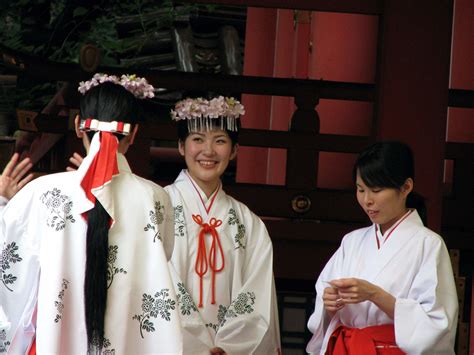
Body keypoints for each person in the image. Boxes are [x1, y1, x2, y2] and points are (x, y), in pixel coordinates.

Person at [0, 74, 182, 354]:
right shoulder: (156, 198)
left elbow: (8, 268)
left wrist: (3, 203)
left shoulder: (42, 194)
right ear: (133, 134)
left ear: (77, 126)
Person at [306, 141, 458, 354]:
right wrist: (329, 304)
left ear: (406, 187)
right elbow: (322, 310)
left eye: (376, 190)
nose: (367, 200)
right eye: (360, 190)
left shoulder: (428, 244)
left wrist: (375, 295)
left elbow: (435, 324)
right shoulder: (352, 241)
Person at [166, 96, 281, 354]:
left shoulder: (248, 222)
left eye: (219, 141)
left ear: (234, 150)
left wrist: (228, 347)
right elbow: (155, 280)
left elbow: (257, 291)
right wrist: (194, 346)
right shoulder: (158, 206)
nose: (208, 151)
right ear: (181, 147)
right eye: (197, 139)